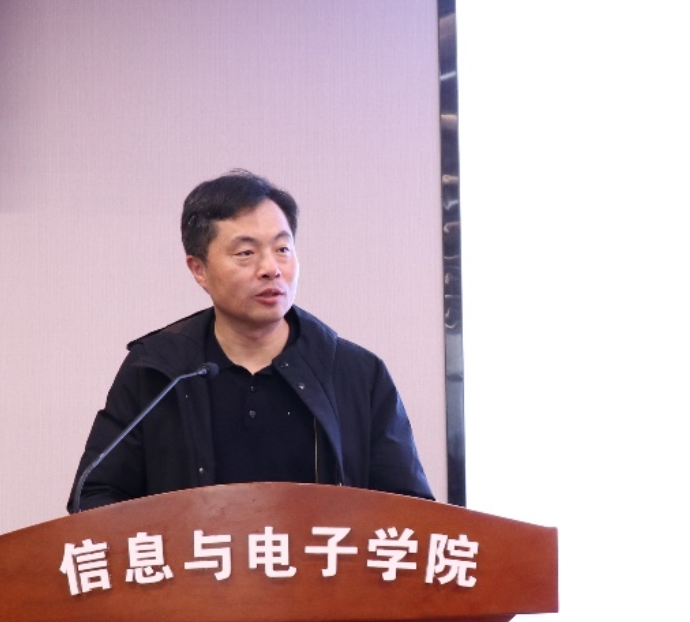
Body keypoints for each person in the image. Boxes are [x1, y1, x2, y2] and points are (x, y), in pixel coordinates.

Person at [69, 170, 433, 511]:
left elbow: (409, 510)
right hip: (195, 561)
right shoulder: (158, 370)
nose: (271, 268)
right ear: (199, 269)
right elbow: (94, 495)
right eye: (246, 253)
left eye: (282, 249)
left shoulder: (355, 373)